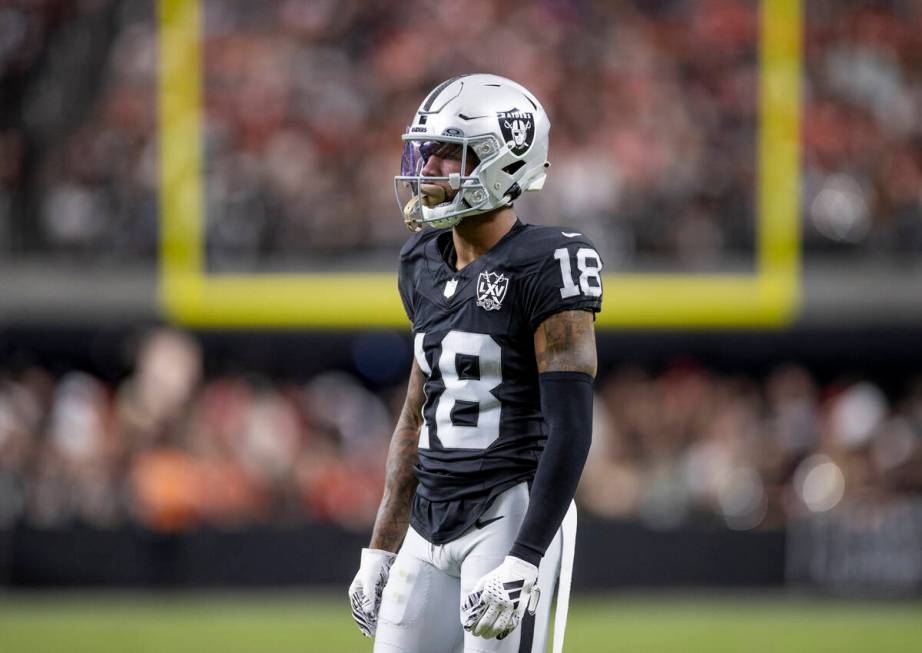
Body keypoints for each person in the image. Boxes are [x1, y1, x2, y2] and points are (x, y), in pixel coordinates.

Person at [349, 74, 603, 653]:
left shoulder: (549, 262)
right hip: (428, 516)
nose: (428, 169)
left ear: (500, 162)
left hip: (509, 510)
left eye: (448, 154)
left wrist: (528, 557)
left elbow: (571, 425)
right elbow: (416, 415)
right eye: (427, 151)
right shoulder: (421, 260)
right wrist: (380, 547)